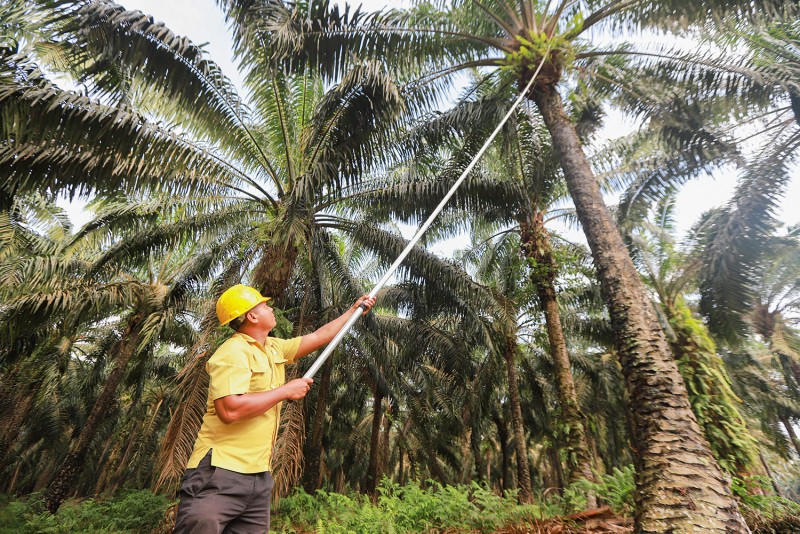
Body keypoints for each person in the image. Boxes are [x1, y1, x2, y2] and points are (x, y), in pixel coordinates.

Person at [173, 284, 376, 534]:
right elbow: (229, 410)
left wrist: (352, 311)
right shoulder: (233, 352)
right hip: (220, 472)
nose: (271, 308)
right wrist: (285, 391)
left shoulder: (273, 348)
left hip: (258, 476)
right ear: (252, 316)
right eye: (265, 305)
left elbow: (317, 338)